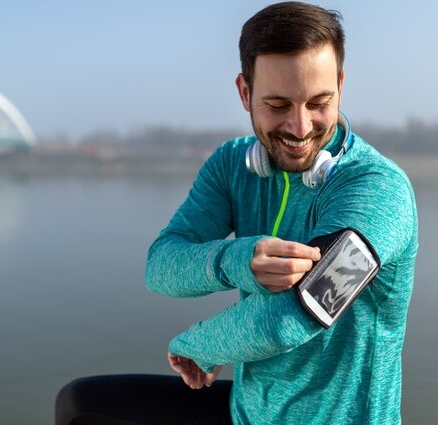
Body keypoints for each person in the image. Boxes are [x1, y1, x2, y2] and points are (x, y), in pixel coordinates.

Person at [55, 2, 418, 424]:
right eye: (278, 105)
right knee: (82, 405)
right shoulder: (232, 166)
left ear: (341, 84)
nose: (300, 128)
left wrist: (199, 346)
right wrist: (237, 260)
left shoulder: (377, 191)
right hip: (244, 412)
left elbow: (293, 316)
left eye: (319, 102)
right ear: (245, 92)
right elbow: (160, 266)